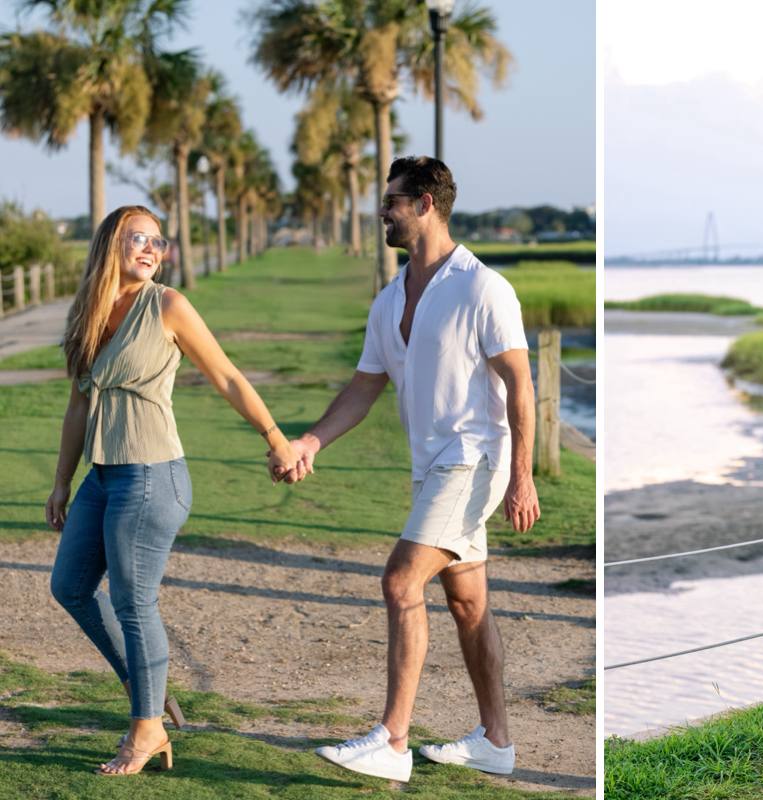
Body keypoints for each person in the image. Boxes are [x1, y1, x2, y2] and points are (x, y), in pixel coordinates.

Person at [289, 156, 539, 784]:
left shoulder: (482, 287)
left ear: (426, 203)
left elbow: (520, 386)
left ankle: (393, 742)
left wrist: (524, 476)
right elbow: (364, 386)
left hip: (473, 459)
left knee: (402, 582)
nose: (383, 211)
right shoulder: (391, 297)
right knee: (468, 603)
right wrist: (313, 441)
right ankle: (496, 742)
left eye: (393, 200)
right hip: (430, 467)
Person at [45, 205, 297, 776]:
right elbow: (79, 402)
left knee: (135, 603)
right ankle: (149, 693)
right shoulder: (89, 310)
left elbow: (227, 374)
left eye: (158, 241)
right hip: (102, 475)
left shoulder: (169, 305)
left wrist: (276, 438)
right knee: (70, 586)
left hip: (152, 474)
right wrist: (62, 480)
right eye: (138, 238)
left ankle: (146, 728)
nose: (150, 249)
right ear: (111, 243)